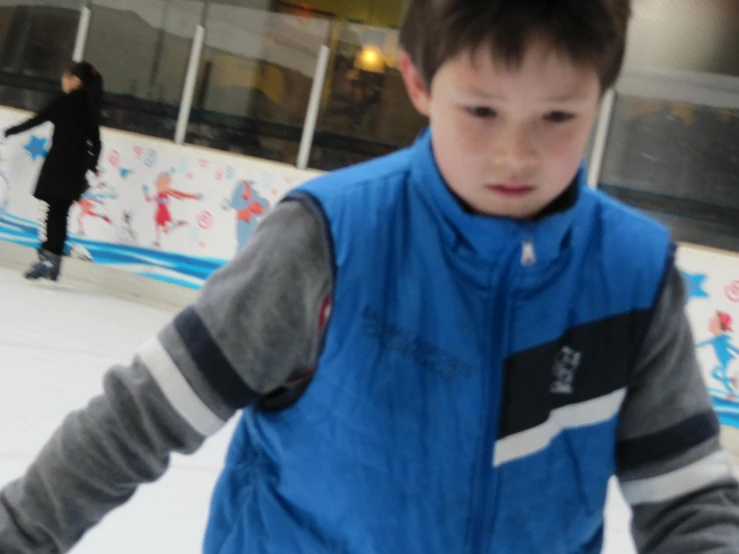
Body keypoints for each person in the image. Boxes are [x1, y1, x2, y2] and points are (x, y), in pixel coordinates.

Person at [1, 1, 738, 552]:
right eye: (481, 110)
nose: (515, 154)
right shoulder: (327, 240)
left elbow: (686, 499)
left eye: (557, 116)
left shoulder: (631, 272)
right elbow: (142, 416)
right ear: (417, 82)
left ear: (600, 97)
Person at [3, 61, 103, 282]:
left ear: (75, 80)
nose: (63, 81)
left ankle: (49, 257)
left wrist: (10, 131)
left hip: (59, 164)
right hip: (75, 168)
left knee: (54, 213)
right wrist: (90, 167)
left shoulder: (65, 102)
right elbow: (96, 143)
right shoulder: (91, 106)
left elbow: (36, 119)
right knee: (61, 213)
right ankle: (53, 261)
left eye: (65, 77)